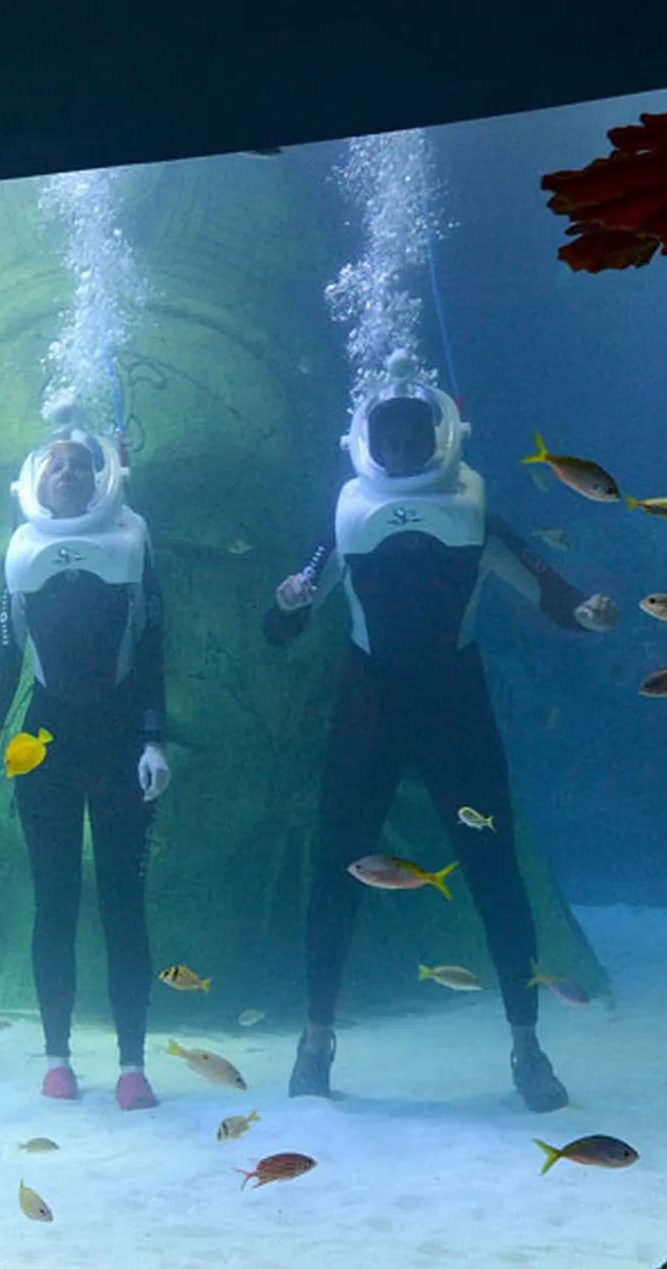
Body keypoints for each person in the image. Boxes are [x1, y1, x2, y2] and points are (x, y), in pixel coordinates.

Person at [266, 355, 616, 1113]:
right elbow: (281, 623)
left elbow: (549, 590)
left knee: (495, 875)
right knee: (337, 869)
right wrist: (289, 600)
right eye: (386, 437)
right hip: (375, 707)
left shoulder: (472, 513)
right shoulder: (348, 515)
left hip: (451, 707)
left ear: (440, 436)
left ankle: (526, 1044)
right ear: (365, 440)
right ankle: (315, 1038)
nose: (398, 450)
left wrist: (585, 613)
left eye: (411, 435)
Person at [0, 418, 170, 1110]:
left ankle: (132, 1064)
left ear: (103, 476)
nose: (70, 475)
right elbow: (5, 656)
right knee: (53, 900)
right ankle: (57, 1059)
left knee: (122, 904)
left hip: (119, 745)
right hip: (42, 745)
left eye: (82, 466)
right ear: (34, 480)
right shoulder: (21, 552)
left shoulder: (133, 542)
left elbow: (151, 649)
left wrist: (153, 739)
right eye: (57, 467)